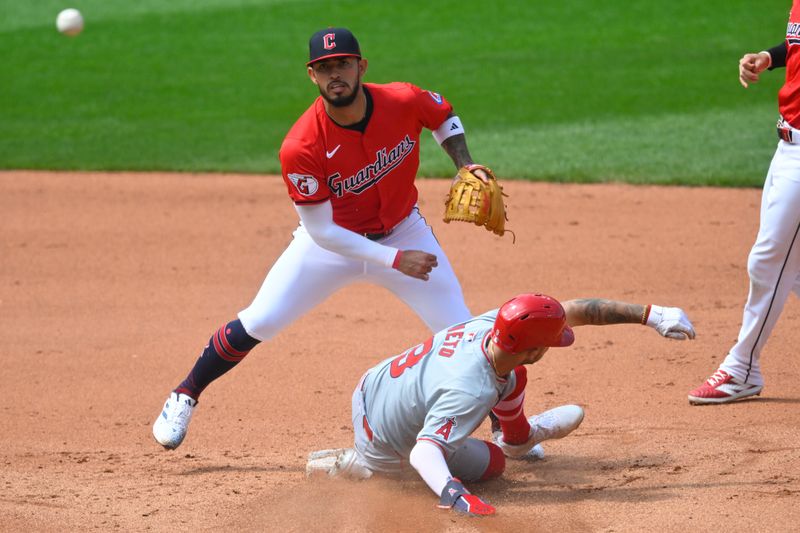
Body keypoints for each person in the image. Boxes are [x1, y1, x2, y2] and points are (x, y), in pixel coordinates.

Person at [152, 27, 496, 449]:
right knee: (260, 320)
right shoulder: (301, 145)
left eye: (343, 64)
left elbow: (442, 116)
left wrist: (465, 163)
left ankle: (510, 427)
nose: (335, 74)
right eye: (324, 68)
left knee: (463, 331)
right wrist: (392, 260)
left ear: (361, 67)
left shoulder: (402, 99)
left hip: (403, 229)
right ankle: (185, 393)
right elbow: (321, 230)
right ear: (312, 76)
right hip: (331, 245)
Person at [306, 294, 696, 516]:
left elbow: (579, 308)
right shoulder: (470, 391)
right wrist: (453, 494)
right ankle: (354, 465)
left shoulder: (496, 324)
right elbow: (425, 451)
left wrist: (650, 315)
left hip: (371, 389)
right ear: (534, 348)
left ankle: (521, 437)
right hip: (390, 448)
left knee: (511, 378)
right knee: (494, 464)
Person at [688, 9, 800, 405]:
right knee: (793, 267)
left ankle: (742, 368)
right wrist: (770, 57)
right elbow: (797, 42)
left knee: (769, 261)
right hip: (786, 146)